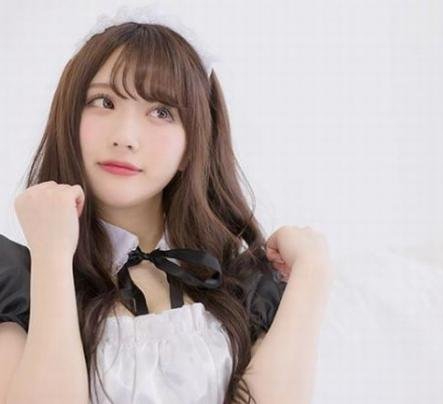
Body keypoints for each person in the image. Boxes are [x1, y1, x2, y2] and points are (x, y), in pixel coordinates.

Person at [0, 6, 334, 404]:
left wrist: (312, 272)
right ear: (67, 119)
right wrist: (52, 257)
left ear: (193, 145)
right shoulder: (16, 282)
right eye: (103, 101)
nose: (125, 137)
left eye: (161, 111)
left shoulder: (244, 286)